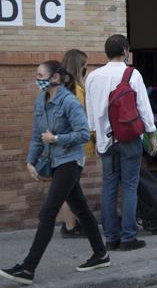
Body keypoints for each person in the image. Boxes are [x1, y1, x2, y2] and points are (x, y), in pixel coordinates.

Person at [0, 61, 109, 285]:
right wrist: (30, 161)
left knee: (48, 212)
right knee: (82, 210)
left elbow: (83, 133)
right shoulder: (41, 102)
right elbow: (36, 134)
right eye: (37, 74)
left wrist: (57, 139)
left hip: (70, 161)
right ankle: (101, 254)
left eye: (41, 75)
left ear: (56, 78)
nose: (37, 78)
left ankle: (28, 269)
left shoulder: (69, 102)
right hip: (55, 161)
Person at [85, 34, 157, 251]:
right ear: (125, 50)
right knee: (129, 186)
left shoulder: (92, 77)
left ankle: (111, 237)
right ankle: (128, 237)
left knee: (108, 187)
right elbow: (143, 107)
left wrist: (94, 133)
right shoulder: (132, 74)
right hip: (129, 138)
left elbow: (90, 114)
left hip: (104, 141)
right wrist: (152, 134)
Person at [57, 49, 94, 239]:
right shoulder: (76, 91)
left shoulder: (58, 88)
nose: (86, 69)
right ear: (78, 67)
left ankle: (69, 224)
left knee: (67, 187)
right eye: (84, 66)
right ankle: (71, 226)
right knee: (68, 187)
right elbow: (81, 119)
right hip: (73, 144)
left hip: (61, 144)